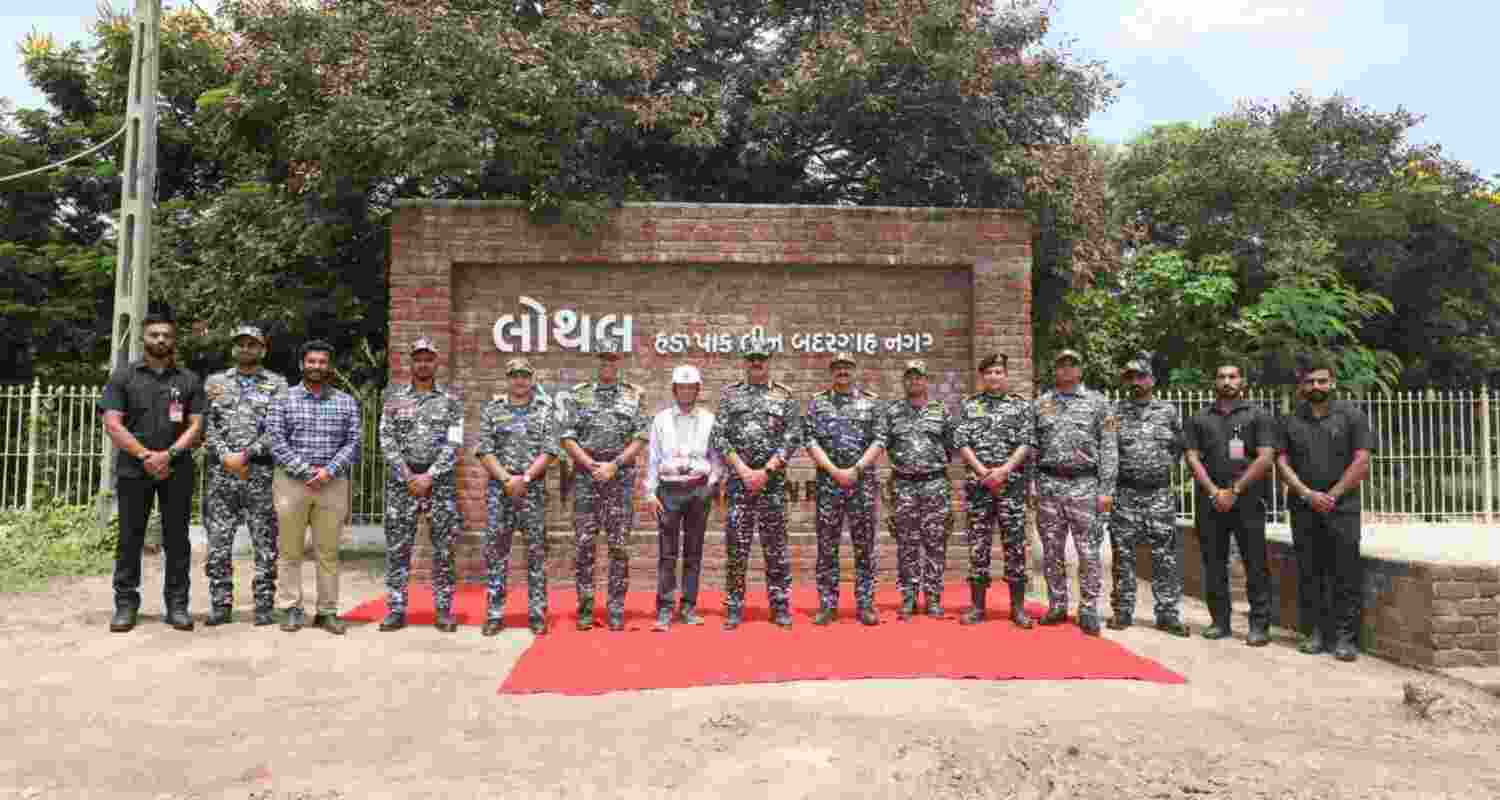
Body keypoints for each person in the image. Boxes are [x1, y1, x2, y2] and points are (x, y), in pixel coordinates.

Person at [100, 310, 206, 633]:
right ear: (144, 338)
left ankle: (177, 605)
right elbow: (112, 423)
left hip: (177, 469)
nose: (160, 340)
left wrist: (169, 454)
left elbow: (198, 426)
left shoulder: (188, 380)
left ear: (174, 340)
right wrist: (146, 455)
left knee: (177, 540)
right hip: (134, 469)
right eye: (154, 334)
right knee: (129, 538)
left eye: (166, 335)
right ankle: (125, 605)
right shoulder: (123, 376)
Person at [1275, 357, 1375, 662]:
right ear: (1301, 386)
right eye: (1309, 381)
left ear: (1332, 383)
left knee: (1345, 572)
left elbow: (1362, 461)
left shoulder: (1352, 417)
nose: (1316, 386)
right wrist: (1306, 494)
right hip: (1304, 508)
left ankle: (1345, 639)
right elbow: (1280, 462)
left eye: (1321, 381)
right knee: (1309, 571)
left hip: (1342, 507)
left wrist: (1332, 495)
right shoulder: (1290, 421)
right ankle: (1315, 633)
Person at [267, 339, 362, 635]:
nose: (317, 367)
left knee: (328, 552)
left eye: (322, 362)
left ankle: (327, 611)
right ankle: (291, 608)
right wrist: (305, 470)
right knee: (289, 550)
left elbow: (354, 441)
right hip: (291, 483)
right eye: (312, 361)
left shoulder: (345, 402)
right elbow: (275, 439)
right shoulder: (283, 399)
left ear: (329, 366)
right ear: (302, 365)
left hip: (332, 484)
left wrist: (329, 471)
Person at [557, 340, 649, 631]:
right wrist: (590, 464)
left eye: (612, 359)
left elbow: (641, 437)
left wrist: (615, 465)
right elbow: (567, 436)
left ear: (618, 362)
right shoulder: (579, 395)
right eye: (603, 360)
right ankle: (585, 610)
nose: (608, 364)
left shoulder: (633, 396)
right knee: (584, 546)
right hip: (586, 478)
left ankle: (616, 609)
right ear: (598, 362)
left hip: (619, 479)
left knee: (619, 547)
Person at [709, 339, 801, 630]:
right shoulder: (730, 396)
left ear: (769, 361)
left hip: (771, 485)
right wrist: (743, 470)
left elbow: (792, 436)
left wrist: (767, 470)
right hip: (739, 485)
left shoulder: (784, 396)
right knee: (737, 549)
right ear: (745, 362)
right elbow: (719, 437)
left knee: (776, 549)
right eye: (751, 358)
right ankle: (734, 607)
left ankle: (780, 606)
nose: (756, 363)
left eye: (761, 358)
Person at [1184, 363, 1276, 646]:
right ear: (1214, 381)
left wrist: (1234, 490)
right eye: (1221, 376)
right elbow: (1192, 457)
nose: (1227, 381)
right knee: (1214, 563)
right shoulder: (1200, 418)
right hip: (1210, 502)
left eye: (1232, 377)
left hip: (1247, 500)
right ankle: (1219, 621)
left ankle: (1259, 625)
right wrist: (1214, 492)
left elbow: (1265, 457)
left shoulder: (1258, 415)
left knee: (1255, 563)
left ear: (1242, 382)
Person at [201, 324, 288, 627]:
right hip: (221, 473)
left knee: (265, 542)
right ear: (233, 349)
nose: (246, 349)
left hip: (259, 473)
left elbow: (278, 428)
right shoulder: (215, 382)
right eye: (241, 344)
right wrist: (225, 454)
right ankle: (220, 604)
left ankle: (264, 605)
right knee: (218, 541)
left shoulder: (277, 384)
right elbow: (206, 425)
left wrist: (246, 454)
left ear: (262, 349)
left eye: (253, 345)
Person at [376, 337, 464, 633]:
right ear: (411, 363)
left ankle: (443, 611)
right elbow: (386, 439)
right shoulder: (393, 399)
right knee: (398, 548)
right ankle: (396, 610)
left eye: (428, 359)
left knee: (444, 550)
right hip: (403, 483)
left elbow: (455, 442)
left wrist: (431, 475)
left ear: (436, 363)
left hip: (440, 485)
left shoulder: (452, 400)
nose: (423, 363)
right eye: (418, 358)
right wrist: (407, 474)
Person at [1033, 349, 1118, 636]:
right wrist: (1034, 485)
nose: (1067, 370)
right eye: (1062, 365)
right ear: (1055, 370)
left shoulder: (1098, 403)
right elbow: (1033, 448)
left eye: (1073, 365)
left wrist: (1106, 490)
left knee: (1088, 551)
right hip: (1049, 485)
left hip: (1085, 485)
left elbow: (1108, 449)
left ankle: (1088, 609)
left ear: (1081, 370)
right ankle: (1057, 605)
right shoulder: (1041, 404)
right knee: (1052, 551)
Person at [1107, 353, 1188, 636]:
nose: (1135, 382)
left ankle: (1167, 614)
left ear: (1152, 379)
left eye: (1140, 376)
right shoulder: (1115, 412)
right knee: (1123, 556)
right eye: (1130, 377)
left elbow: (1179, 446)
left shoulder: (1168, 411)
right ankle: (1123, 611)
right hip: (1125, 493)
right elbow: (1108, 452)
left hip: (1159, 494)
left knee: (1165, 556)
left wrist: (1159, 468)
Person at [803, 351, 886, 626]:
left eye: (847, 367)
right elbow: (810, 441)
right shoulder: (818, 403)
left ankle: (865, 604)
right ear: (831, 372)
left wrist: (856, 469)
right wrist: (834, 471)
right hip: (829, 484)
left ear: (854, 370)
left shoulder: (871, 403)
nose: (842, 372)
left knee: (865, 547)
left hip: (861, 484)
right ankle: (827, 605)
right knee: (827, 547)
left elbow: (879, 440)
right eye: (837, 368)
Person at [476, 357, 558, 635]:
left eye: (524, 375)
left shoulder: (544, 411)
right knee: (496, 553)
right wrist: (506, 479)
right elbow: (484, 451)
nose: (519, 380)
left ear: (531, 379)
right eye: (514, 375)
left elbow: (549, 450)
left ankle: (536, 613)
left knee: (536, 554)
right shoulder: (492, 410)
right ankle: (495, 614)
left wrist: (524, 478)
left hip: (532, 490)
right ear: (507, 379)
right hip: (500, 491)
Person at [954, 353, 1034, 627]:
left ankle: (1018, 608)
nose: (994, 377)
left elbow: (1026, 442)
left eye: (998, 372)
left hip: (1010, 487)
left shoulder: (1020, 406)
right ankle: (977, 607)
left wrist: (1004, 471)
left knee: (1014, 547)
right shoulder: (969, 405)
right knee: (979, 547)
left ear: (1005, 375)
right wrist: (983, 472)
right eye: (989, 372)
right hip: (980, 488)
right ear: (982, 376)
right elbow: (961, 442)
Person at [643, 364, 723, 631]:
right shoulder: (661, 419)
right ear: (674, 390)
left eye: (691, 387)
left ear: (698, 390)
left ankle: (688, 607)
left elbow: (717, 458)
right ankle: (664, 610)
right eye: (682, 387)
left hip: (698, 490)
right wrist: (650, 492)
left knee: (693, 552)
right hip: (669, 491)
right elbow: (653, 458)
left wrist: (710, 486)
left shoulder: (710, 419)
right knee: (667, 553)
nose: (686, 391)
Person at [884, 360, 956, 621]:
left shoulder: (941, 412)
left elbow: (952, 447)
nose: (914, 381)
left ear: (927, 380)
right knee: (906, 544)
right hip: (903, 485)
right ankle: (909, 598)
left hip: (934, 484)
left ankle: (934, 598)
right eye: (910, 377)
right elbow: (886, 445)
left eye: (919, 377)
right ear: (904, 381)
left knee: (936, 543)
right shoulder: (892, 412)